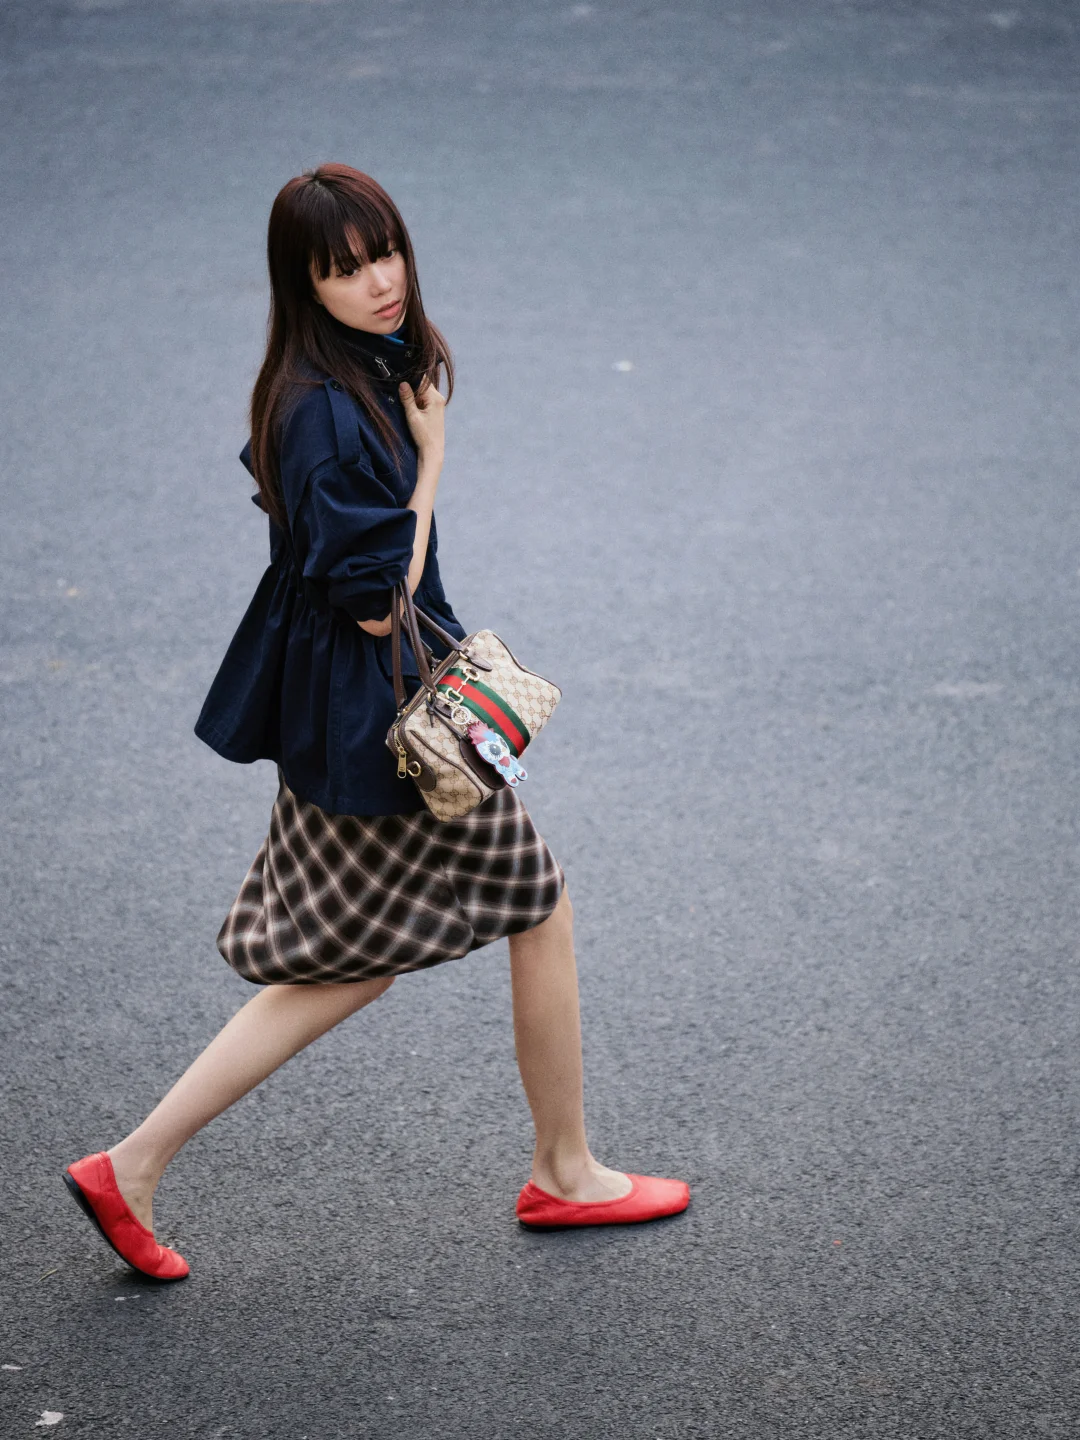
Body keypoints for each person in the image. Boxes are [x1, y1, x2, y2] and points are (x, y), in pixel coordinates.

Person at [62, 163, 689, 1281]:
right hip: (382, 719)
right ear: (304, 284)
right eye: (344, 268)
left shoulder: (337, 374)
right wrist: (433, 460)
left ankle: (560, 1166)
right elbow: (371, 599)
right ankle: (557, 1172)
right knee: (447, 934)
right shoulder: (323, 409)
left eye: (385, 251)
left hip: (352, 710)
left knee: (425, 941)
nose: (380, 280)